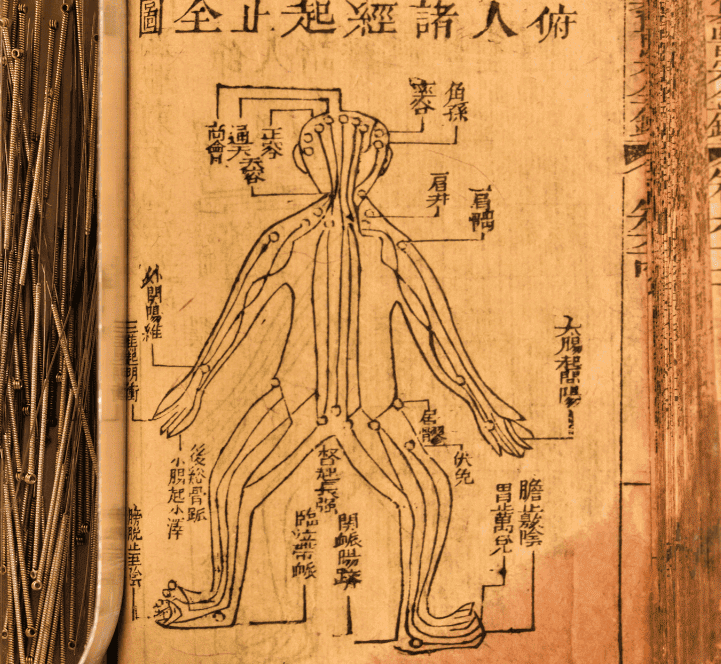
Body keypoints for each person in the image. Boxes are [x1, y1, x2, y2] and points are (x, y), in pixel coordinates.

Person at [152, 111, 531, 653]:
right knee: (226, 484)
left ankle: (418, 618)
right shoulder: (290, 238)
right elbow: (237, 315)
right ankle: (219, 599)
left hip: (369, 411)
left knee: (431, 494)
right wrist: (196, 382)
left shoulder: (387, 248)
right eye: (333, 154)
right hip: (296, 399)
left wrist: (482, 403)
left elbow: (437, 335)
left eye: (357, 156)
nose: (346, 171)